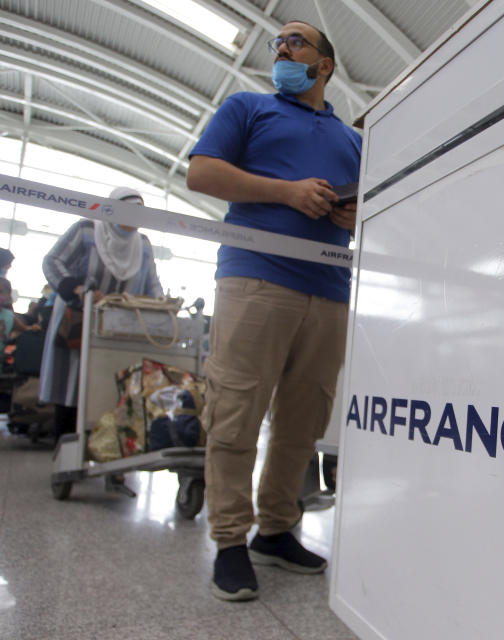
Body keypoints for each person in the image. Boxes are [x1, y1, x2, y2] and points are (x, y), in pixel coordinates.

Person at [186, 20, 360, 602]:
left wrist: (356, 217)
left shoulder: (355, 142)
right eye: (277, 43)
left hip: (330, 289)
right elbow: (202, 172)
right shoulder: (247, 109)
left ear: (325, 64)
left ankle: (276, 529)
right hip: (255, 279)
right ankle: (231, 541)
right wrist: (286, 192)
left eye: (295, 42)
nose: (281, 49)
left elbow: (376, 208)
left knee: (302, 423)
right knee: (236, 411)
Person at [38, 187, 163, 440]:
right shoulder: (87, 231)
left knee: (113, 389)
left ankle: (110, 458)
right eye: (128, 210)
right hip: (81, 324)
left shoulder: (143, 245)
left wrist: (162, 306)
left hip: (120, 331)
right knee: (74, 386)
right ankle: (66, 454)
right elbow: (52, 261)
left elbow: (152, 285)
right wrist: (76, 288)